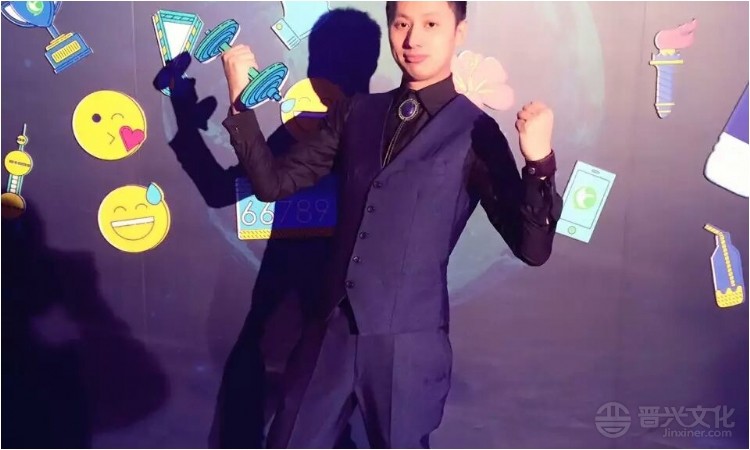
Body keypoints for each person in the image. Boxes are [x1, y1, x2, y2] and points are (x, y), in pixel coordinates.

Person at [220, 1, 564, 447]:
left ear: (458, 32)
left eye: (431, 23)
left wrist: (539, 163)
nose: (413, 38)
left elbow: (532, 248)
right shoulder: (356, 113)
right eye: (402, 23)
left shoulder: (476, 132)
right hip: (329, 334)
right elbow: (272, 184)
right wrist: (240, 106)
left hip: (407, 347)